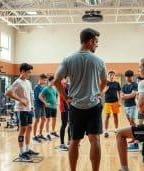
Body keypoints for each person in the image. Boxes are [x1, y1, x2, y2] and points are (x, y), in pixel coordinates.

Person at [54, 28, 107, 171]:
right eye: (96, 42)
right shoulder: (100, 61)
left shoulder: (68, 59)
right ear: (90, 42)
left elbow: (56, 81)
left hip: (76, 107)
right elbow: (104, 81)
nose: (97, 45)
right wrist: (99, 93)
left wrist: (65, 98)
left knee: (74, 141)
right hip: (94, 106)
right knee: (95, 140)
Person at [5, 63, 39, 161]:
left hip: (29, 109)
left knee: (29, 128)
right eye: (28, 72)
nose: (29, 74)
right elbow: (8, 93)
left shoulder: (28, 82)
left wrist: (32, 106)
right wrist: (20, 100)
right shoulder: (17, 82)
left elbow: (29, 95)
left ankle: (27, 149)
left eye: (30, 72)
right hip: (21, 110)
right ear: (22, 71)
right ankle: (21, 152)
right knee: (23, 130)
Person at [121, 70, 139, 151]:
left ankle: (137, 139)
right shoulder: (124, 86)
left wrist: (126, 96)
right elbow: (122, 96)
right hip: (126, 106)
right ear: (125, 77)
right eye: (127, 76)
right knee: (130, 122)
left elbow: (133, 94)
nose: (128, 78)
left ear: (132, 76)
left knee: (133, 121)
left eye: (130, 76)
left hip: (133, 106)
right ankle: (133, 137)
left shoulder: (135, 84)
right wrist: (127, 96)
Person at [39, 75, 59, 141]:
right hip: (48, 107)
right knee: (48, 120)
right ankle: (47, 134)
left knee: (54, 119)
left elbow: (56, 95)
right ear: (50, 81)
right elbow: (40, 96)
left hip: (54, 107)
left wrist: (55, 102)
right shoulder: (46, 88)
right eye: (53, 81)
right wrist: (45, 103)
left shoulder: (54, 88)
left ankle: (53, 131)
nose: (54, 82)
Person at [103, 70, 121, 138]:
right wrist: (105, 89)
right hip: (107, 102)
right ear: (108, 76)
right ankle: (106, 131)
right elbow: (102, 91)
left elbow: (119, 92)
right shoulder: (106, 83)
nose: (111, 76)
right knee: (107, 116)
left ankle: (116, 130)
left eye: (112, 75)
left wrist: (119, 101)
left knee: (115, 116)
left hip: (115, 102)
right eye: (110, 75)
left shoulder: (117, 83)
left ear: (114, 76)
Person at [33, 74, 48, 142]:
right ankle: (34, 136)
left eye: (46, 80)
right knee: (37, 120)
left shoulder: (43, 87)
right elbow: (39, 97)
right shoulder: (37, 87)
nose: (45, 81)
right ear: (40, 79)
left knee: (44, 119)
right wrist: (45, 102)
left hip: (42, 105)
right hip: (37, 105)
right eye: (44, 80)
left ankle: (40, 134)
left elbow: (44, 96)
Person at [58, 78, 71, 151]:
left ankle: (69, 140)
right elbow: (63, 96)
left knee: (70, 123)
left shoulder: (69, 85)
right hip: (64, 106)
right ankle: (62, 144)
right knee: (64, 124)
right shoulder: (62, 85)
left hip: (69, 106)